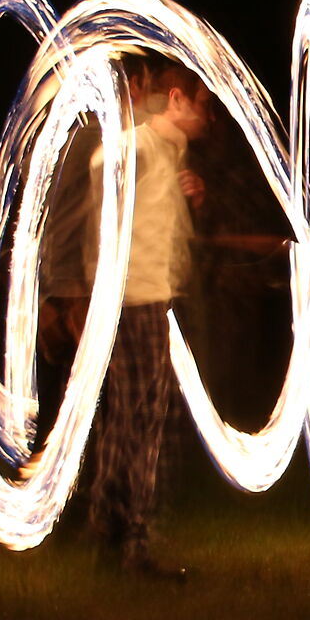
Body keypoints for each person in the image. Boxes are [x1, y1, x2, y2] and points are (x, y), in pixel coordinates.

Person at [80, 66, 209, 579]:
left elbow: (165, 226)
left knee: (131, 413)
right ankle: (132, 539)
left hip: (148, 296)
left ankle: (104, 525)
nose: (208, 118)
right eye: (202, 105)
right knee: (147, 417)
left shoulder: (171, 153)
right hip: (134, 297)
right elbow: (101, 165)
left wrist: (191, 198)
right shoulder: (134, 147)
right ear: (175, 99)